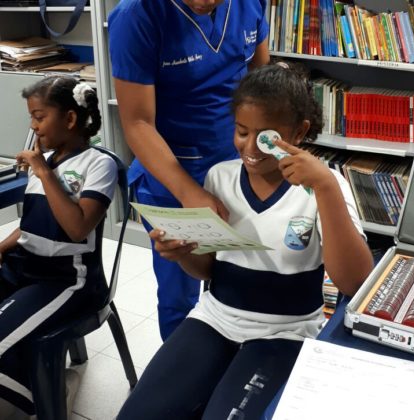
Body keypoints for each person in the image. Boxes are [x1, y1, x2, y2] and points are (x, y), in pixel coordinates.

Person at [116, 63, 374, 420]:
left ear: (299, 132)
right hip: (216, 318)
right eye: (241, 132)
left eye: (267, 137)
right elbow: (207, 269)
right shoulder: (219, 177)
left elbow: (354, 283)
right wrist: (182, 254)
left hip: (286, 331)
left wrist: (325, 188)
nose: (251, 148)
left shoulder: (323, 186)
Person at [108, 0, 270, 340]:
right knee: (178, 297)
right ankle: (182, 383)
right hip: (173, 176)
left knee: (239, 278)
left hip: (238, 167)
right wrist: (189, 192)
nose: (203, 2)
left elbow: (261, 80)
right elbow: (137, 123)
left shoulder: (250, 4)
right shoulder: (136, 16)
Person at [0, 75, 118, 416]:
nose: (33, 126)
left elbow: (77, 227)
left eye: (39, 117)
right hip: (26, 268)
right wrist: (4, 247)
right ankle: (35, 381)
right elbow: (31, 227)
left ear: (69, 119)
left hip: (68, 281)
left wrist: (43, 173)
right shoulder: (47, 159)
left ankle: (46, 393)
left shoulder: (99, 164)